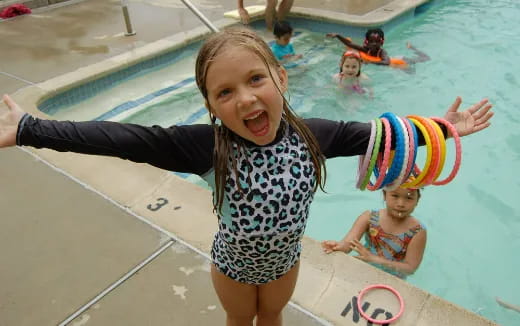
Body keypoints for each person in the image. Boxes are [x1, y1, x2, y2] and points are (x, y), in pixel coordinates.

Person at [0, 27, 493, 326]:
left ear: (280, 78)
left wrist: (445, 131)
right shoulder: (207, 147)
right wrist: (28, 128)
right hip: (233, 267)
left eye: (255, 79)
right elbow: (118, 138)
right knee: (241, 319)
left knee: (273, 316)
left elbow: (385, 136)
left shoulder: (314, 135)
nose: (245, 99)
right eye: (225, 92)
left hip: (284, 263)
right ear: (211, 105)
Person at [322, 188, 426, 279]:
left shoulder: (417, 231)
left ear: (417, 201)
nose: (401, 204)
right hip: (363, 268)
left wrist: (374, 259)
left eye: (409, 198)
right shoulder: (370, 217)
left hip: (393, 278)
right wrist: (339, 246)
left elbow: (410, 268)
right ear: (385, 195)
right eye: (395, 195)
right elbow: (348, 244)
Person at [326, 28, 430, 67]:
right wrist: (338, 36)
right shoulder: (366, 49)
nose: (374, 44)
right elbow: (350, 45)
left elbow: (386, 62)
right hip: (393, 63)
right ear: (366, 42)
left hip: (401, 60)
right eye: (371, 41)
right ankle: (412, 48)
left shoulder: (382, 52)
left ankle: (413, 49)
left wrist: (369, 62)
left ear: (382, 42)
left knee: (423, 60)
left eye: (377, 42)